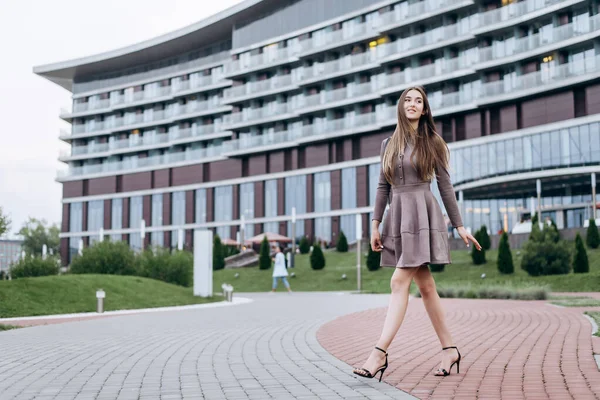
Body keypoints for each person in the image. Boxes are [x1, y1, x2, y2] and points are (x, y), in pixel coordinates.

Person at [353, 87, 481, 382]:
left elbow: (445, 186)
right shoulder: (388, 143)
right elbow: (382, 186)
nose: (412, 104)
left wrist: (459, 225)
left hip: (422, 214)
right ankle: (450, 349)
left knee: (399, 281)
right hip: (397, 217)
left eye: (418, 101)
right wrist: (375, 223)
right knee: (425, 288)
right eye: (408, 100)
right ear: (401, 106)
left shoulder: (433, 142)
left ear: (425, 110)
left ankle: (379, 354)